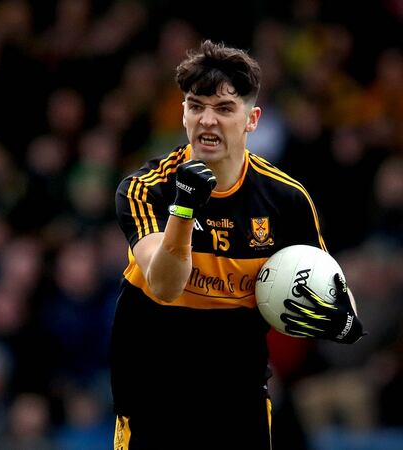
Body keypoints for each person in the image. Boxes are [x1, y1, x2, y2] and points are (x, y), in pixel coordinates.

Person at [110, 40, 365, 450]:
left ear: (252, 119)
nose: (207, 121)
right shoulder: (146, 188)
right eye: (196, 106)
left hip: (237, 400)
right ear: (183, 113)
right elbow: (164, 286)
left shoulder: (286, 199)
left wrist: (342, 320)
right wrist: (184, 211)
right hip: (152, 396)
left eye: (224, 109)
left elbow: (332, 287)